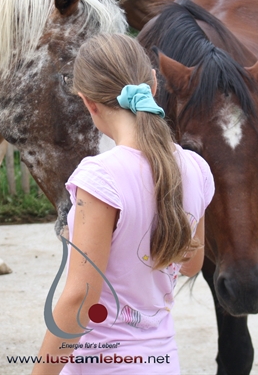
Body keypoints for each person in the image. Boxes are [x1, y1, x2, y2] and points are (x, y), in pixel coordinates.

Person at [32, 33, 214, 374]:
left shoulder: (100, 178)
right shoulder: (196, 169)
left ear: (88, 103)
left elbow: (80, 298)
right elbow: (192, 263)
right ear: (153, 85)